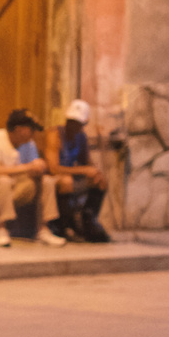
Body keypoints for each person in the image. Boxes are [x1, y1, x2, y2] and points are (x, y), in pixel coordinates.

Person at [0, 108, 66, 248]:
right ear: (19, 129)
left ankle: (43, 230)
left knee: (46, 181)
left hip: (14, 189)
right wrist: (28, 167)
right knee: (2, 180)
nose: (33, 134)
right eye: (31, 130)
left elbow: (30, 171)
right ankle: (1, 230)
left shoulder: (29, 144)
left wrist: (38, 168)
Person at [46, 98, 111, 243]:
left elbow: (88, 162)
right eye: (71, 121)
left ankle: (88, 219)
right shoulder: (55, 134)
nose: (73, 126)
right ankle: (63, 224)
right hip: (55, 178)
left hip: (72, 175)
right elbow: (53, 168)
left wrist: (94, 172)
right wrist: (83, 170)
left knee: (100, 181)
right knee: (66, 181)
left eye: (77, 123)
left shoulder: (81, 137)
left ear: (83, 124)